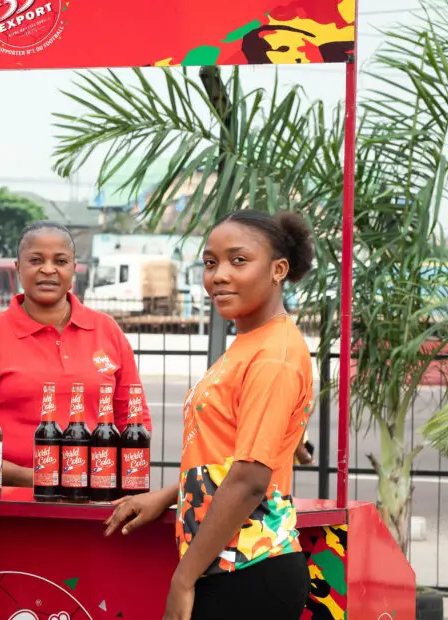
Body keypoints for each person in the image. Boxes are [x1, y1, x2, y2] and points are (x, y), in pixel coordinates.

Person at [105, 210, 315, 619]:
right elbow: (225, 459)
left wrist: (183, 580)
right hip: (225, 561)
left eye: (239, 260)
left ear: (278, 270)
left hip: (248, 567)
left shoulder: (274, 356)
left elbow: (250, 479)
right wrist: (167, 496)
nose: (219, 275)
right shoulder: (250, 343)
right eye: (210, 262)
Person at [0, 221, 152, 486]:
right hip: (9, 496)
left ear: (73, 268)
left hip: (94, 497)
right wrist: (36, 478)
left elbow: (134, 418)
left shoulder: (106, 330)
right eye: (36, 260)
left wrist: (108, 478)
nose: (48, 269)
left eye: (60, 261)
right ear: (18, 268)